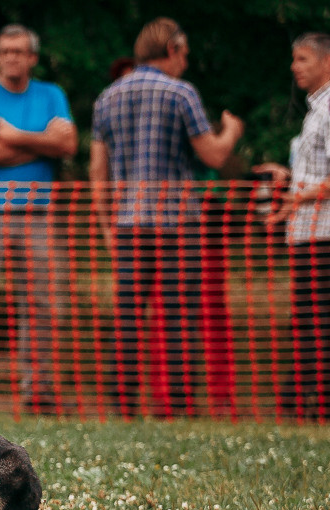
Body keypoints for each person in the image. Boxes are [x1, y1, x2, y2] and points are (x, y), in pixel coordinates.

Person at [90, 17, 244, 417]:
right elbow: (213, 154)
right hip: (177, 224)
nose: (186, 63)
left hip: (128, 224)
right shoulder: (182, 93)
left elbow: (97, 170)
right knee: (175, 314)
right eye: (185, 54)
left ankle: (123, 405)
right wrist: (230, 130)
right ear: (172, 50)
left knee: (128, 315)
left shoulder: (107, 97)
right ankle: (176, 405)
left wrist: (108, 224)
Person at [0, 24, 78, 413]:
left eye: (20, 51)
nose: (12, 58)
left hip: (37, 212)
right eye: (5, 51)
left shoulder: (51, 94)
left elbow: (69, 145)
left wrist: (17, 135)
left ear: (33, 58)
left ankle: (37, 391)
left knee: (39, 302)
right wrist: (43, 145)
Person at [257, 33, 330, 420]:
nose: (294, 66)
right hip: (304, 234)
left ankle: (328, 410)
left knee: (322, 325)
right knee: (306, 323)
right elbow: (324, 169)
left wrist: (299, 198)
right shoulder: (317, 108)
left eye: (302, 59)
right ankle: (306, 406)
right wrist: (288, 176)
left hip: (323, 233)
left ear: (327, 64)